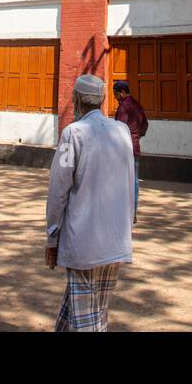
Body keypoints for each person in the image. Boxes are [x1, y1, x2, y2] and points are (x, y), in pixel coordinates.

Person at [45, 73, 136, 332]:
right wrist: (127, 227)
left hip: (83, 242)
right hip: (116, 239)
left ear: (76, 100)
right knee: (94, 309)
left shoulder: (73, 133)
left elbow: (58, 191)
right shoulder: (122, 131)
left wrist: (52, 236)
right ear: (102, 100)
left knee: (87, 319)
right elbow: (130, 182)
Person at [112, 80, 148, 214]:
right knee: (134, 181)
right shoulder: (137, 105)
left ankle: (122, 212)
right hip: (135, 147)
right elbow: (145, 125)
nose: (115, 97)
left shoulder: (123, 108)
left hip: (123, 149)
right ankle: (133, 212)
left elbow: (118, 129)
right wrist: (137, 136)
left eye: (115, 94)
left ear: (121, 92)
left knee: (121, 180)